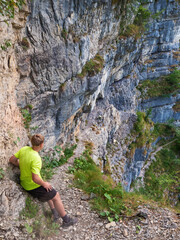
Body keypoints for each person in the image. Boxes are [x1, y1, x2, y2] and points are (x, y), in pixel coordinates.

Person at [9, 134, 77, 228]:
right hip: (32, 186)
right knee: (56, 196)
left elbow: (12, 159)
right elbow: (35, 178)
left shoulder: (24, 149)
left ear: (32, 142)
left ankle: (55, 214)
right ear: (41, 145)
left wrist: (22, 164)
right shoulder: (36, 158)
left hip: (24, 182)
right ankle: (66, 221)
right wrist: (44, 183)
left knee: (49, 190)